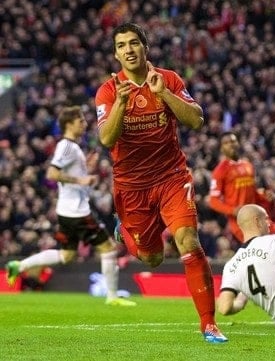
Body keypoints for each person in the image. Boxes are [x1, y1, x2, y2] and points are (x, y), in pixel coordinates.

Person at [94, 22, 226, 343]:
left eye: (134, 43)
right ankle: (122, 228)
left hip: (171, 176)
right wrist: (123, 105)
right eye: (122, 45)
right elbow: (106, 138)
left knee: (188, 241)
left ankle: (209, 324)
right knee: (151, 257)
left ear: (145, 47)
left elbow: (196, 119)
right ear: (116, 53)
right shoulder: (109, 91)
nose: (128, 49)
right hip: (132, 185)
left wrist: (163, 93)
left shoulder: (168, 79)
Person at [5, 106, 136, 307]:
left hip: (68, 210)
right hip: (77, 211)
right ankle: (112, 297)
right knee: (109, 249)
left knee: (66, 255)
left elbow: (68, 175)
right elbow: (51, 174)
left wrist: (87, 170)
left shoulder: (73, 147)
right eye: (80, 121)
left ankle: (18, 265)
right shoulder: (66, 146)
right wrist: (80, 180)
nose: (84, 124)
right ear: (69, 124)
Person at [208, 131, 275, 243]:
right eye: (226, 143)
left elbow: (253, 192)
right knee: (264, 248)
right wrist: (232, 210)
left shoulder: (248, 165)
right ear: (222, 148)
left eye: (233, 141)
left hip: (257, 216)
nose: (230, 144)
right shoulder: (219, 171)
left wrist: (264, 195)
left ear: (238, 143)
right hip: (241, 222)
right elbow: (213, 201)